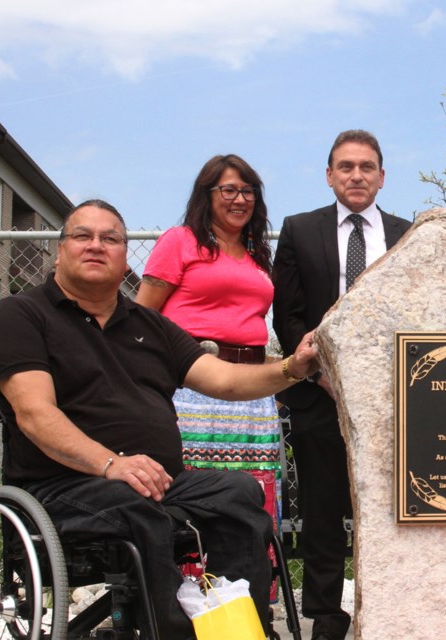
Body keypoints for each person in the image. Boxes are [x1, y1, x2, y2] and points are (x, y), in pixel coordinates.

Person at [0, 200, 321, 639]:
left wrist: (291, 369)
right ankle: (176, 634)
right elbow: (35, 414)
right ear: (59, 251)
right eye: (82, 236)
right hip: (62, 486)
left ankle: (243, 630)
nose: (96, 246)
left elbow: (223, 380)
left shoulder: (148, 324)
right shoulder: (21, 315)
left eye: (110, 238)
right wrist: (113, 464)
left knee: (239, 494)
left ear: (125, 254)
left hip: (152, 480)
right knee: (135, 505)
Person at [272, 129, 411, 640]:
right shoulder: (299, 230)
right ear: (329, 174)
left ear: (381, 176)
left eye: (367, 167)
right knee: (323, 509)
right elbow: (286, 313)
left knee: (392, 503)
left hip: (393, 399)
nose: (357, 175)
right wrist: (320, 372)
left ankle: (391, 603)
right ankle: (327, 616)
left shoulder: (406, 232)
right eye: (346, 167)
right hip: (317, 394)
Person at [134, 154, 282, 598]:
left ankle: (251, 603)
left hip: (253, 393)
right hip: (193, 389)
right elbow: (141, 318)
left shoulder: (258, 251)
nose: (239, 199)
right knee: (193, 497)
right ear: (207, 195)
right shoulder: (179, 241)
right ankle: (188, 604)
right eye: (228, 190)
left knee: (253, 500)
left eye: (247, 191)